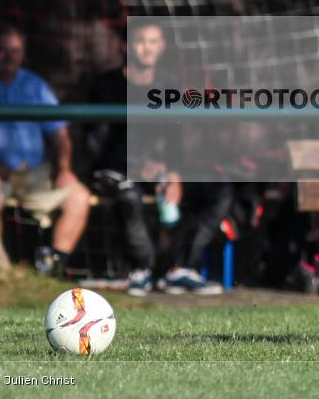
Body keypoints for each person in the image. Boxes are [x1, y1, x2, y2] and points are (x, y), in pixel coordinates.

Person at [86, 20, 222, 295]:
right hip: (115, 170)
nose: (146, 49)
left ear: (162, 47)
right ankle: (141, 270)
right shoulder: (106, 86)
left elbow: (175, 138)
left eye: (153, 42)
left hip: (155, 170)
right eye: (140, 41)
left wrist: (174, 173)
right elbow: (94, 144)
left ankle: (181, 268)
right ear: (125, 46)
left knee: (219, 191)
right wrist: (134, 165)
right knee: (128, 194)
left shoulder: (167, 86)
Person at [0, 24, 91, 278]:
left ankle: (51, 270)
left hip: (35, 172)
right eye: (2, 50)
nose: (8, 56)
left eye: (14, 50)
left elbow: (60, 134)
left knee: (78, 197)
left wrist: (64, 168)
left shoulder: (34, 85)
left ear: (22, 54)